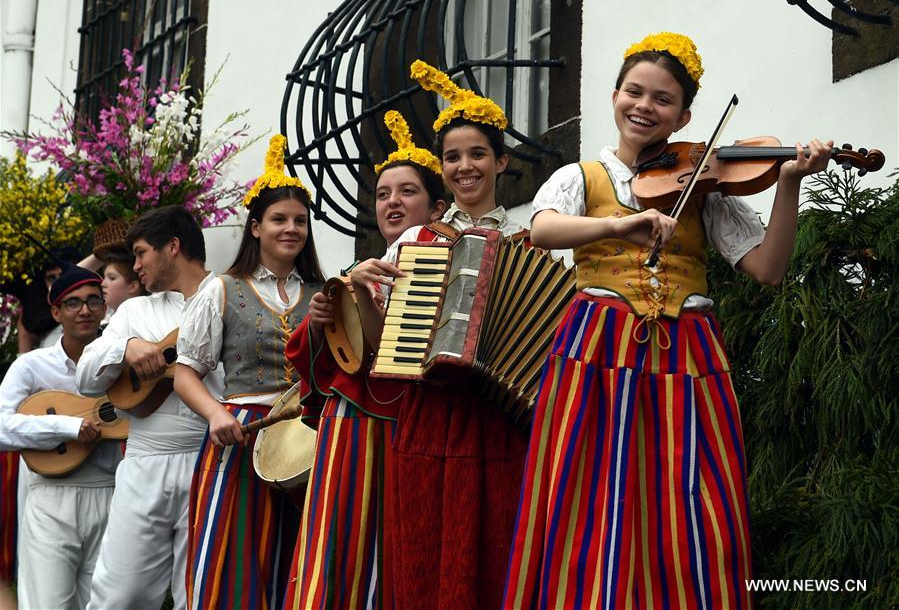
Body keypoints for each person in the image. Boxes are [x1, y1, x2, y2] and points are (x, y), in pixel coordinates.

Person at [502, 32, 833, 609]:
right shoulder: (582, 176)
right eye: (634, 92)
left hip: (687, 349)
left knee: (691, 493)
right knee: (588, 489)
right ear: (613, 96)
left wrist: (789, 183)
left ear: (683, 115)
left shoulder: (703, 187)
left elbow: (769, 268)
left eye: (662, 99)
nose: (644, 107)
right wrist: (614, 226)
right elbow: (545, 230)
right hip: (597, 347)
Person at [372, 60, 531, 609]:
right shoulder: (419, 236)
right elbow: (378, 329)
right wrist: (360, 284)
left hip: (500, 416)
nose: (465, 167)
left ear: (501, 161)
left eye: (478, 154)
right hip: (431, 410)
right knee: (423, 543)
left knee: (500, 541)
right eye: (453, 157)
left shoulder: (533, 235)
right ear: (441, 168)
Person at [283, 110, 447, 609]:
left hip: (406, 421)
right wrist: (319, 319)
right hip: (353, 421)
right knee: (341, 544)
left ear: (437, 206)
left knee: (392, 546)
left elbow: (396, 354)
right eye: (382, 194)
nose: (392, 202)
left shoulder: (446, 255)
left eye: (407, 192)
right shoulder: (361, 267)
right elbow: (329, 359)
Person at [174, 134, 325, 609]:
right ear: (255, 227)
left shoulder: (324, 291)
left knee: (301, 559)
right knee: (236, 558)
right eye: (279, 219)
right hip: (241, 435)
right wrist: (216, 416)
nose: (291, 229)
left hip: (311, 436)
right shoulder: (222, 288)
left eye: (300, 221)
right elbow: (184, 373)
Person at [75, 206, 222, 610]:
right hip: (146, 461)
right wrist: (124, 348)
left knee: (201, 594)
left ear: (172, 247)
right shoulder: (134, 311)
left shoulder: (229, 296)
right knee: (120, 596)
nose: (135, 265)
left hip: (212, 461)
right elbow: (85, 376)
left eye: (141, 253)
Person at [0, 265, 119, 609]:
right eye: (73, 303)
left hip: (111, 491)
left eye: (93, 301)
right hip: (51, 497)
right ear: (56, 312)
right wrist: (67, 427)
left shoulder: (120, 364)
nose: (84, 310)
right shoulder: (31, 367)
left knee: (105, 602)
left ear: (104, 308)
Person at [99, 248, 145, 319]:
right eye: (104, 277)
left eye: (112, 278)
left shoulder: (140, 318)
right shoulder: (107, 315)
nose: (103, 284)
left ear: (133, 287)